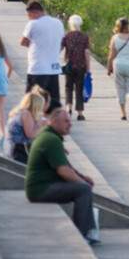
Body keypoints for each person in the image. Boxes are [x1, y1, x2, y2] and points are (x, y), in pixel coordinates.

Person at [25, 104, 99, 243]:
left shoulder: (51, 137)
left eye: (70, 121)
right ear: (53, 122)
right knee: (83, 190)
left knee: (84, 186)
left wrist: (83, 177)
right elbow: (63, 171)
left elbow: (66, 166)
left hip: (45, 186)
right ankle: (82, 234)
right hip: (40, 190)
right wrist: (83, 183)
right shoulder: (51, 140)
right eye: (66, 121)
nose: (70, 124)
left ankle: (90, 231)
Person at [20, 0, 65, 110]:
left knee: (32, 103)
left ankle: (32, 124)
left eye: (29, 15)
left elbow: (23, 42)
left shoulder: (33, 24)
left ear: (32, 12)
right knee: (53, 103)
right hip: (54, 68)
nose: (29, 18)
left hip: (37, 68)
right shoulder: (58, 23)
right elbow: (62, 43)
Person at [60, 13, 91, 120]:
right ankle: (80, 113)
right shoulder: (84, 36)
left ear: (70, 24)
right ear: (80, 24)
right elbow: (86, 52)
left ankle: (68, 107)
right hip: (81, 66)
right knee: (79, 88)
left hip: (69, 65)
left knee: (68, 87)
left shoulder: (67, 36)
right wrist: (88, 68)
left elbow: (59, 48)